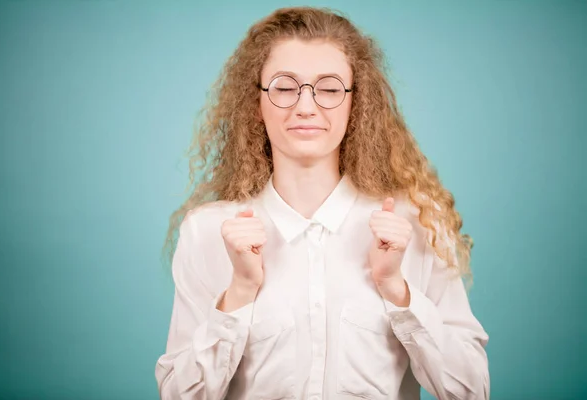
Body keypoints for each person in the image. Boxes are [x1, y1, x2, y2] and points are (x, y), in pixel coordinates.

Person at [155, 6, 489, 400]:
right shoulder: (207, 232)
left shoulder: (416, 224)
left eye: (329, 88)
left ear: (356, 103)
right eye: (284, 86)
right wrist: (240, 292)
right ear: (256, 103)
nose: (306, 106)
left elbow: (471, 390)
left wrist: (398, 291)